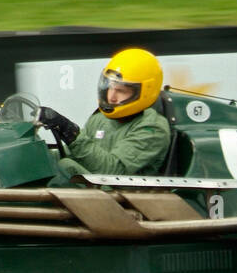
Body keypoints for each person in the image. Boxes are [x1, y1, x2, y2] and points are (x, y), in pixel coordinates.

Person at [38, 48, 172, 179]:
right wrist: (39, 155)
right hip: (97, 191)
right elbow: (76, 154)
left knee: (66, 167)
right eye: (110, 87)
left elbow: (112, 172)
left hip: (126, 196)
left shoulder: (153, 129)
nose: (111, 97)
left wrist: (71, 133)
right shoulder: (100, 119)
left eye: (121, 91)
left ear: (145, 92)